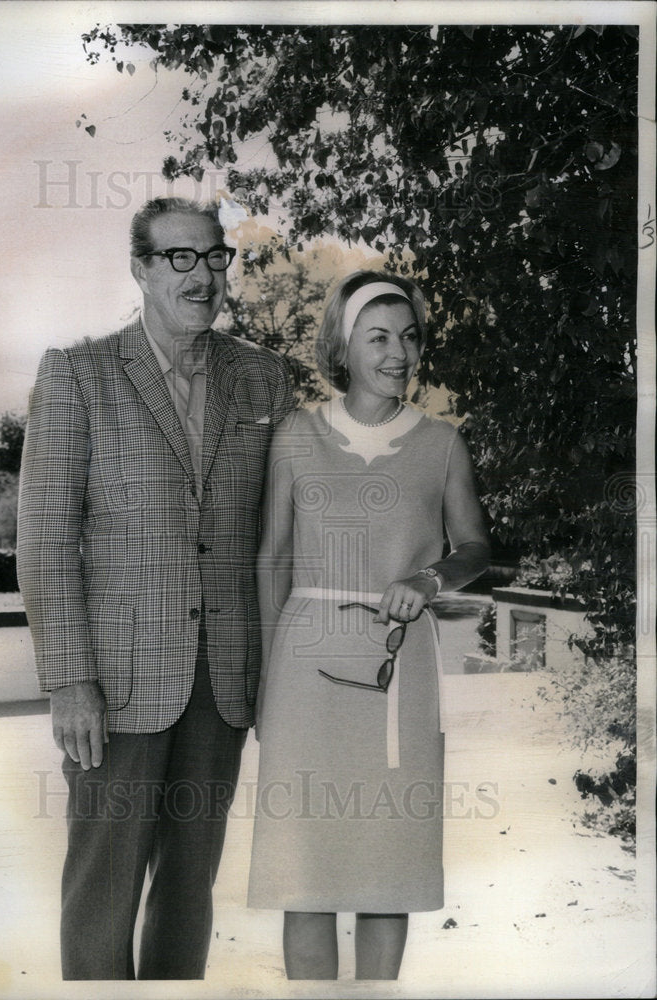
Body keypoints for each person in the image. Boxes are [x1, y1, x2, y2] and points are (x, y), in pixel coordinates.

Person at [17, 196, 295, 980]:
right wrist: (70, 679)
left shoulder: (262, 378)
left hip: (225, 682)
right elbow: (42, 539)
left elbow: (280, 534)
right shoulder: (78, 376)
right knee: (103, 891)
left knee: (189, 891)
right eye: (181, 257)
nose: (202, 275)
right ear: (140, 269)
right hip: (117, 682)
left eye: (214, 257)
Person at [247, 270, 490, 980]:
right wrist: (268, 684)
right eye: (378, 337)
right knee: (307, 872)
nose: (399, 354)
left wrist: (429, 579)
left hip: (398, 669)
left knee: (390, 863)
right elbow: (273, 557)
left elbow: (474, 547)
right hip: (304, 672)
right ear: (342, 348)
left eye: (409, 338)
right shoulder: (295, 435)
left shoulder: (443, 443)